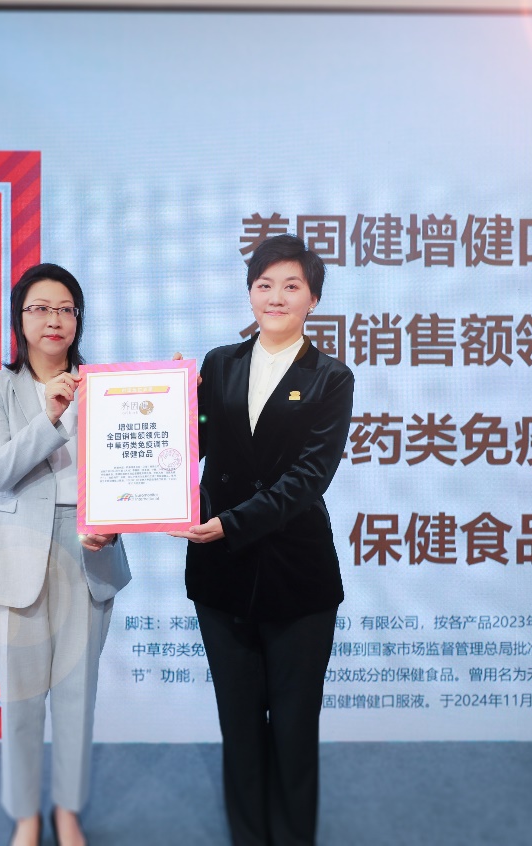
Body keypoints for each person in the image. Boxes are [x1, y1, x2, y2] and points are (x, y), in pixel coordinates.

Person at [172, 234, 355, 845]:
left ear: (313, 298)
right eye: (264, 284)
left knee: (295, 732)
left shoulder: (331, 377)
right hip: (220, 574)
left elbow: (309, 478)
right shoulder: (220, 363)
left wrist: (233, 522)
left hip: (297, 576)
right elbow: (189, 442)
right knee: (241, 728)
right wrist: (164, 399)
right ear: (250, 292)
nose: (275, 296)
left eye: (291, 286)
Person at [0, 263, 131, 846]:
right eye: (40, 308)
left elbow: (130, 471)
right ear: (20, 319)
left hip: (89, 548)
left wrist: (177, 399)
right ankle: (26, 815)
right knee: (22, 697)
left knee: (78, 697)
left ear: (78, 319)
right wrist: (50, 415)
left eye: (65, 308)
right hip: (16, 554)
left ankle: (67, 811)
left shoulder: (106, 386)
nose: (53, 319)